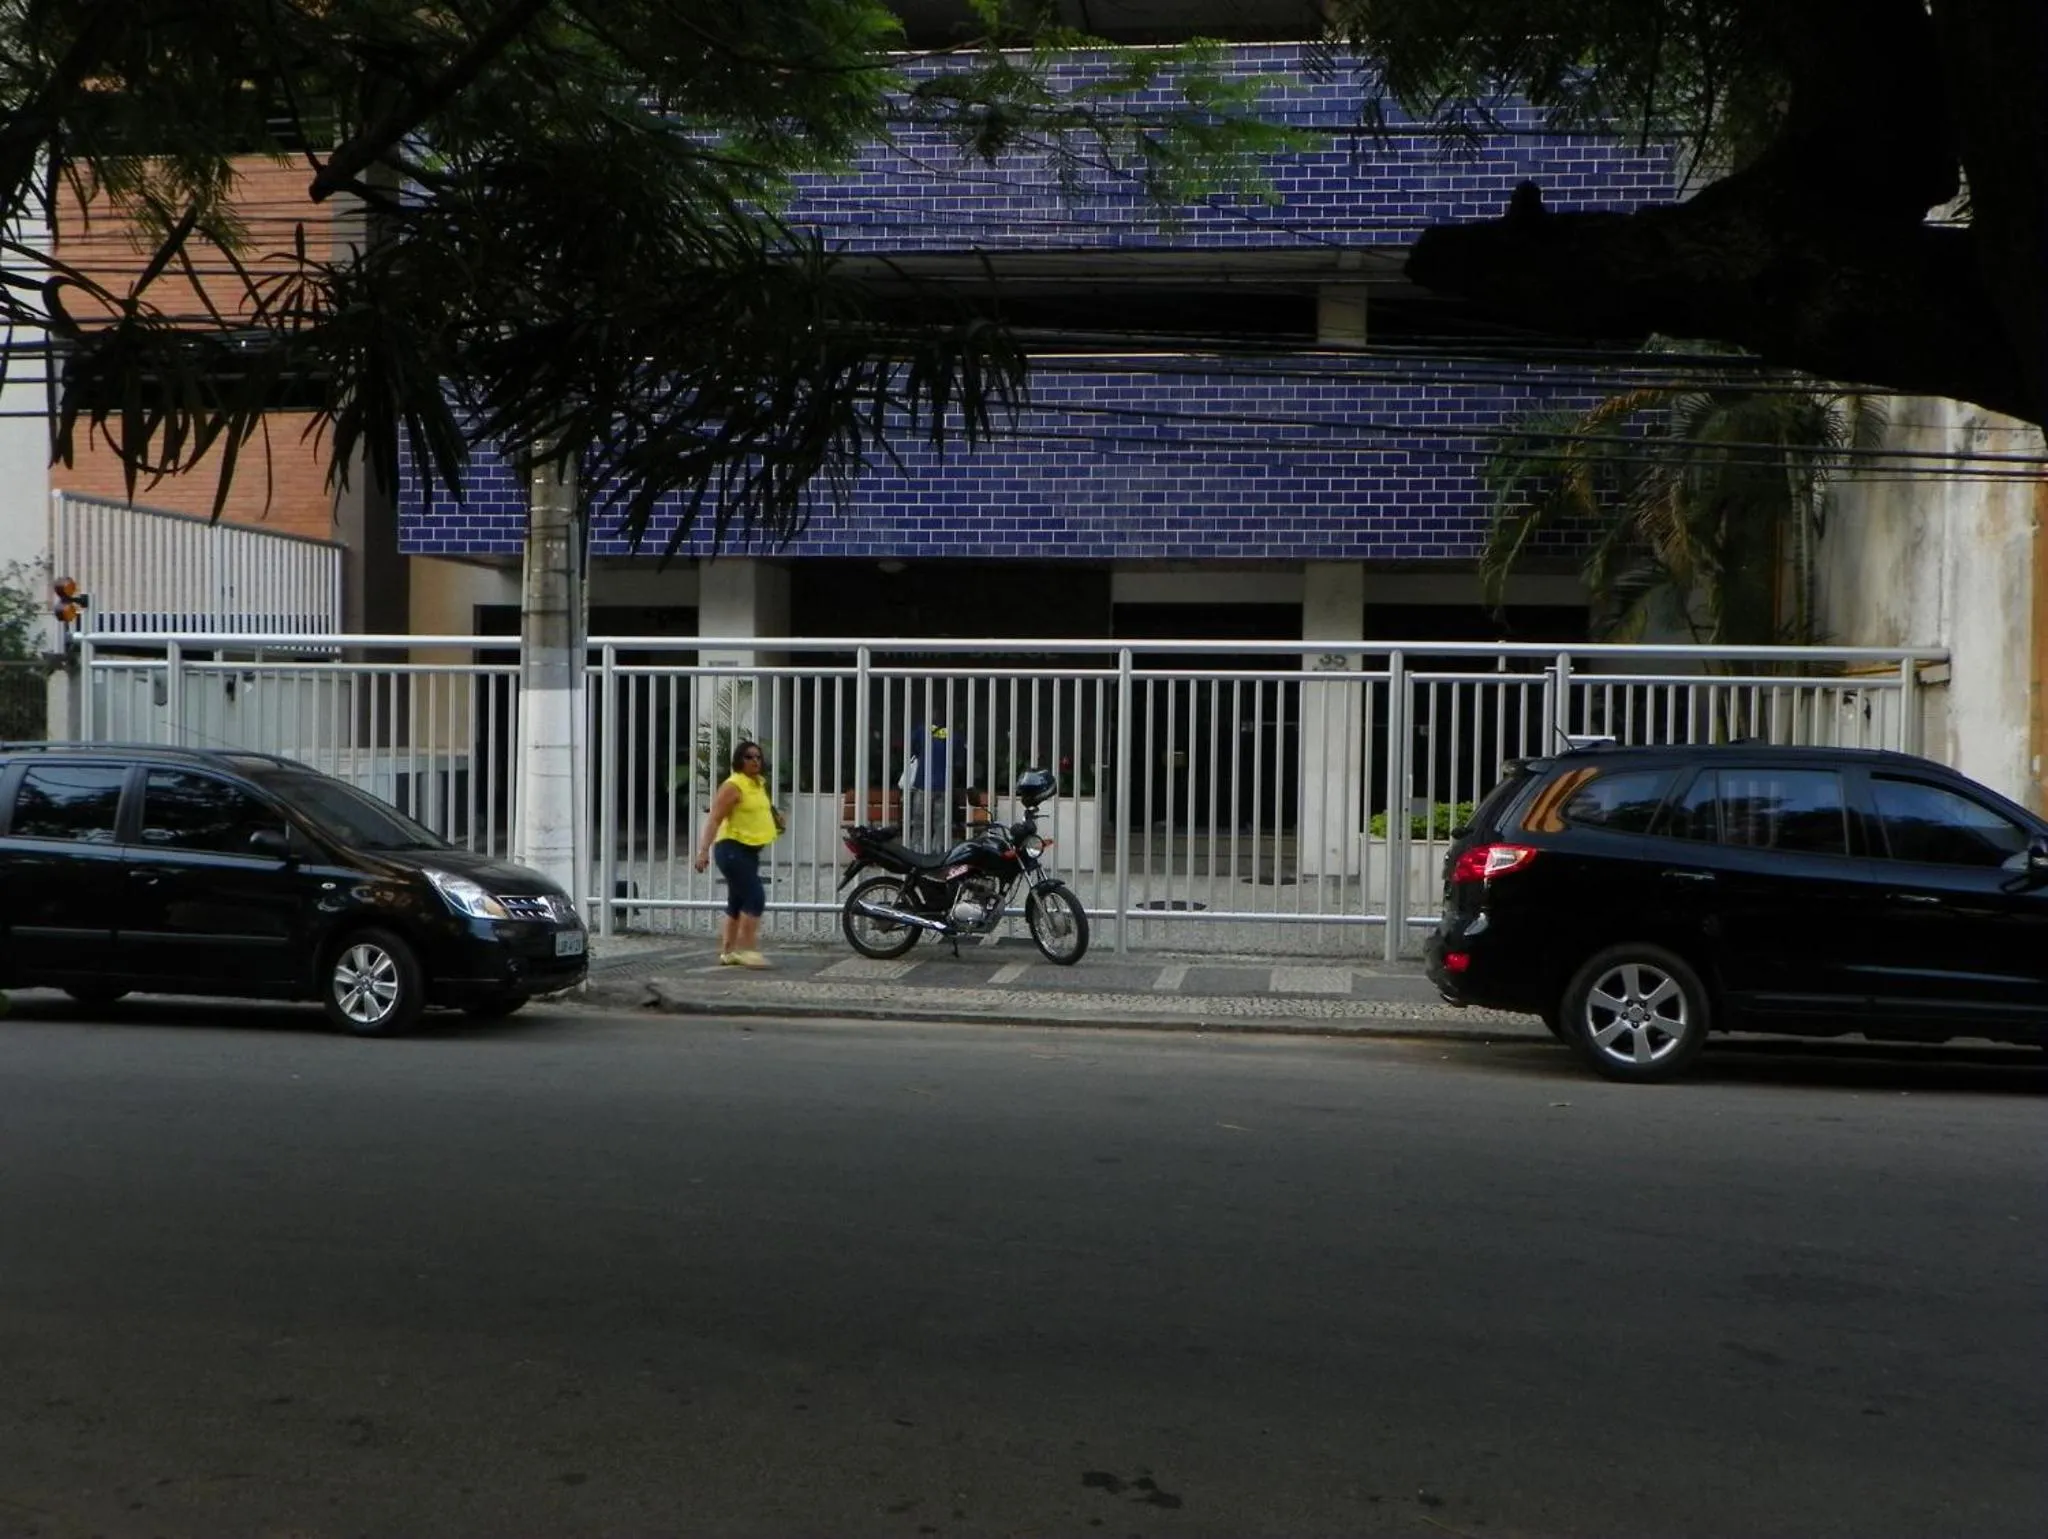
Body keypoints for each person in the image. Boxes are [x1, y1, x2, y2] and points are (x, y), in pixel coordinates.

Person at [693, 740, 783, 968]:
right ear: (738, 760)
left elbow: (756, 812)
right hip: (732, 849)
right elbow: (714, 818)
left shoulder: (758, 784)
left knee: (737, 900)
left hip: (749, 850)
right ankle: (747, 949)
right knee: (755, 897)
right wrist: (703, 851)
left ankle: (728, 951)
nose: (755, 761)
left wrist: (774, 820)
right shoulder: (733, 785)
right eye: (749, 757)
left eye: (758, 757)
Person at [905, 721, 957, 850]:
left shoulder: (921, 730)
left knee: (919, 821)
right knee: (941, 823)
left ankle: (917, 849)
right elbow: (957, 758)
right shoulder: (953, 733)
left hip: (923, 783)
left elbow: (912, 750)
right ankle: (938, 851)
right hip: (943, 784)